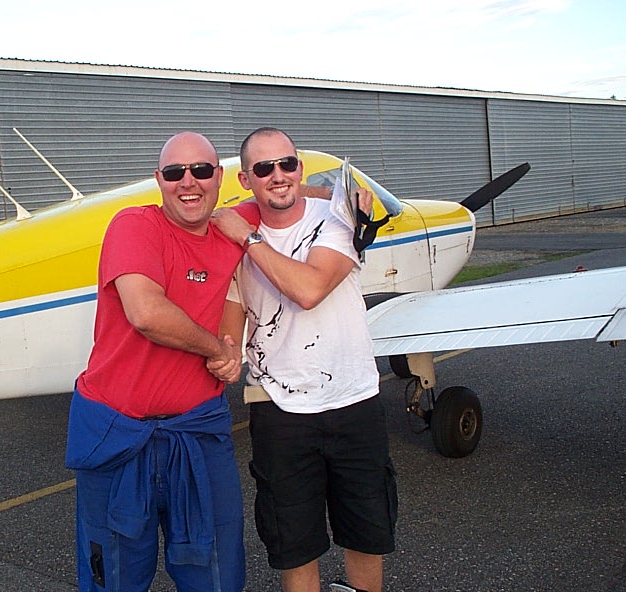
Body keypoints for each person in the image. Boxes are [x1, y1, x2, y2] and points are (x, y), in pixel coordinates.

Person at [209, 127, 398, 592]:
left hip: (353, 400)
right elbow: (232, 316)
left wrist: (249, 237)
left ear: (300, 168)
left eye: (287, 165)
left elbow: (310, 289)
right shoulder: (233, 235)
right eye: (264, 168)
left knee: (366, 532)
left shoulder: (335, 220)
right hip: (280, 411)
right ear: (245, 178)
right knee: (294, 542)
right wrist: (226, 352)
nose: (278, 176)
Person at [65, 131, 250, 592]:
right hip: (117, 431)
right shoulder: (134, 225)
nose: (189, 182)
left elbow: (280, 187)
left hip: (197, 430)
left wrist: (342, 192)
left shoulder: (231, 227)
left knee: (217, 572)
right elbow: (147, 314)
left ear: (220, 177)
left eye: (202, 171)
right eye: (175, 173)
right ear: (159, 180)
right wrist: (219, 350)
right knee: (114, 575)